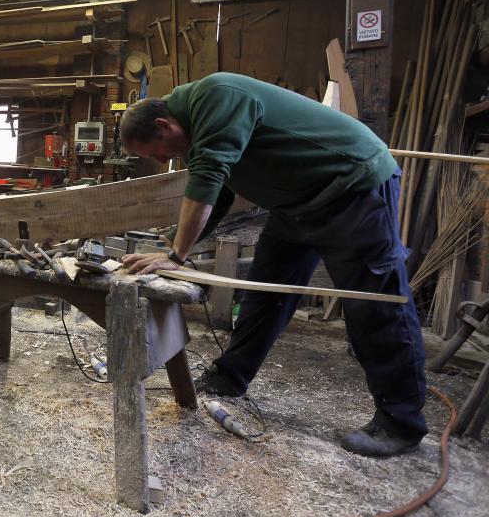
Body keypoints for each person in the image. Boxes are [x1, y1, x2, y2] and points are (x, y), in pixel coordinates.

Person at [119, 72, 427, 458]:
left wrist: (177, 257)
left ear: (164, 124)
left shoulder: (217, 98)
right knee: (263, 296)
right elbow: (222, 194)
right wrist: (169, 244)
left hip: (353, 188)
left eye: (158, 151)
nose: (164, 160)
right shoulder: (198, 128)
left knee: (374, 306)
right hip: (298, 204)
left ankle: (401, 423)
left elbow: (209, 180)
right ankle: (230, 377)